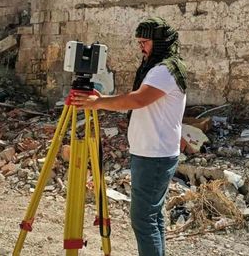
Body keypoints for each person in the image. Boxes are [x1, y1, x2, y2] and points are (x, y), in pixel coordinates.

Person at [71, 17, 187, 256]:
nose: (141, 47)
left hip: (154, 155)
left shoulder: (164, 70)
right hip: (152, 152)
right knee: (152, 217)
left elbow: (137, 99)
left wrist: (99, 103)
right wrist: (99, 99)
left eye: (145, 41)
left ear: (160, 42)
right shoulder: (161, 68)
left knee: (143, 220)